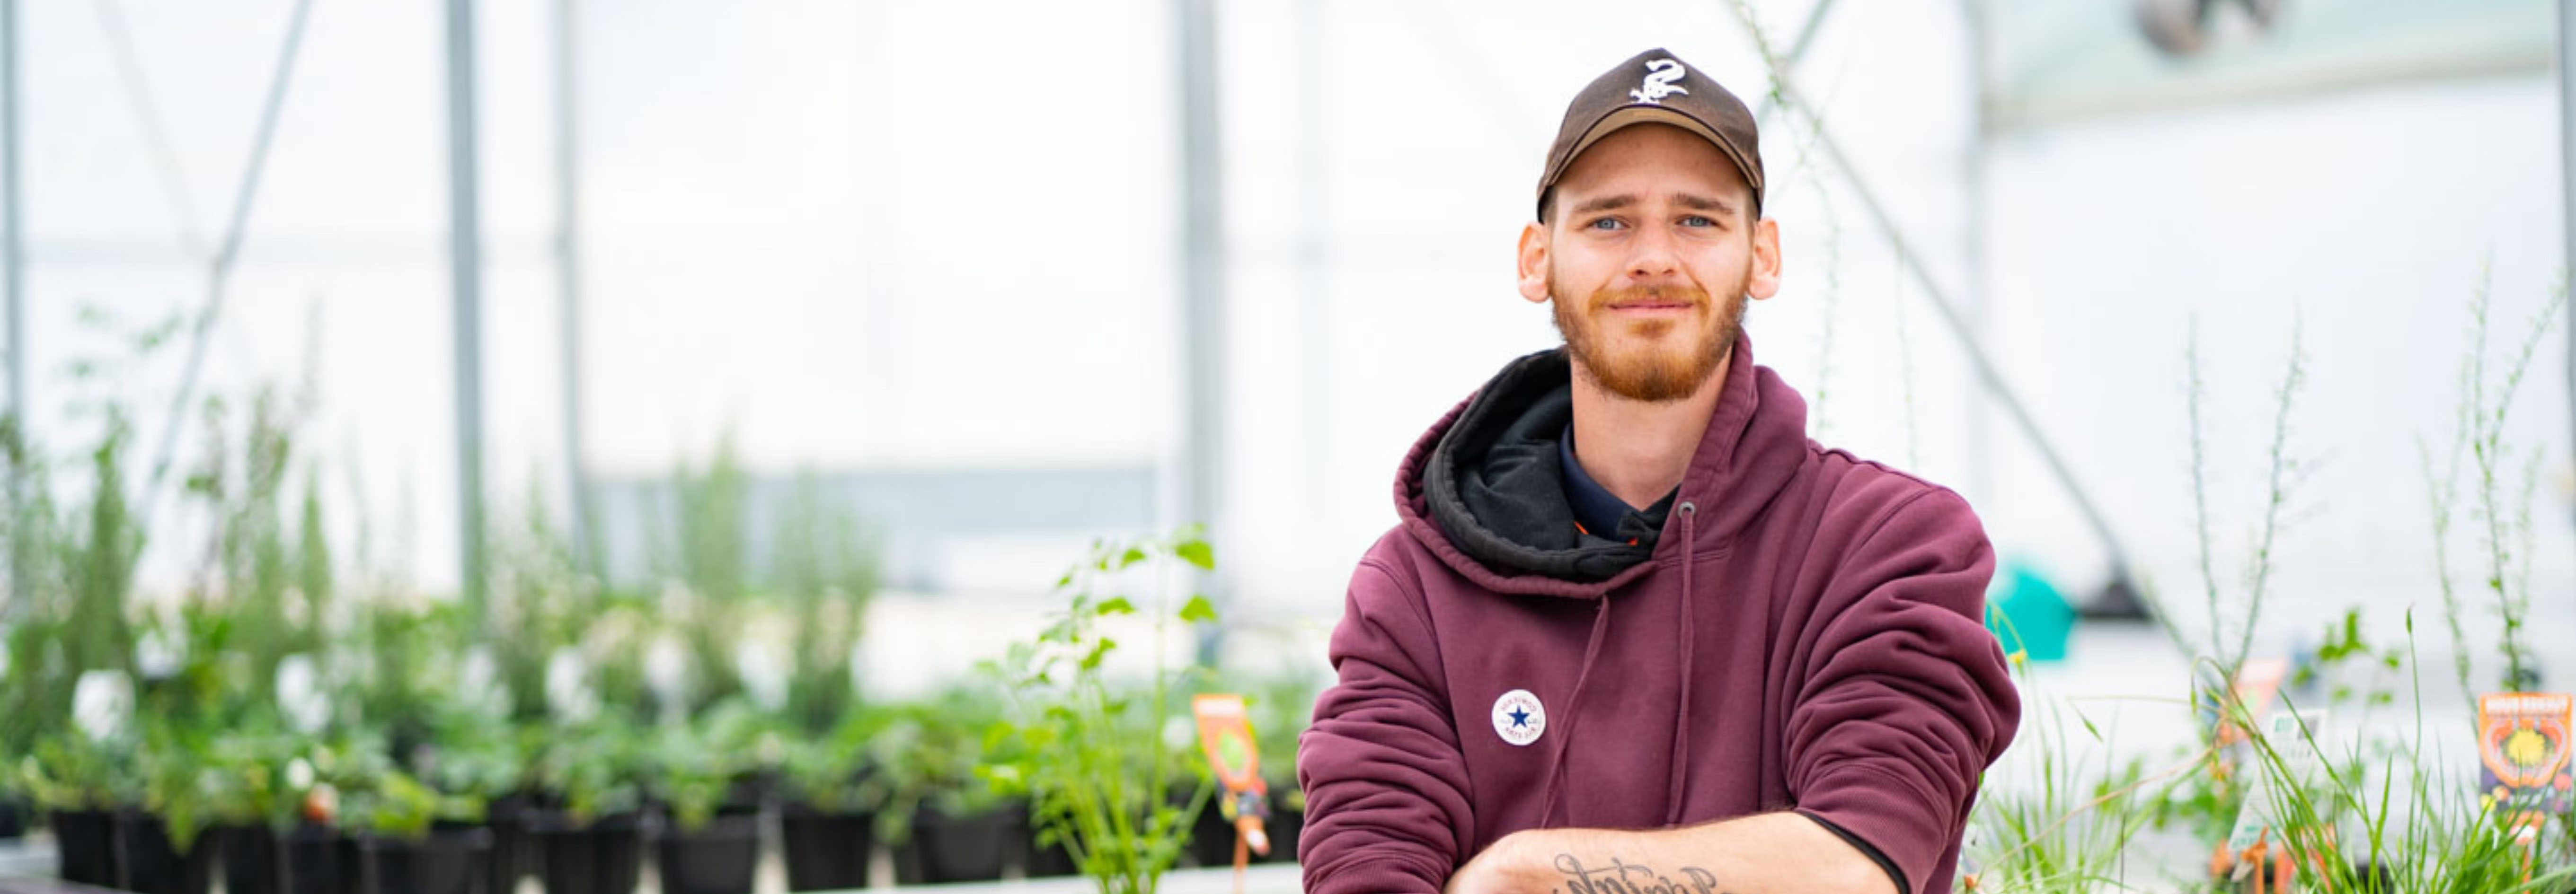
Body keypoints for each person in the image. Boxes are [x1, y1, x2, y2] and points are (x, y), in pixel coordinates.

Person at [1293, 48, 2021, 894]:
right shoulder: (1416, 588)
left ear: (1764, 255)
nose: (1652, 257)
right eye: (1607, 221)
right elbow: (1364, 868)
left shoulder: (1888, 545)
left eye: (1698, 220)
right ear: (1537, 259)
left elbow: (1856, 864)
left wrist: (1528, 874)